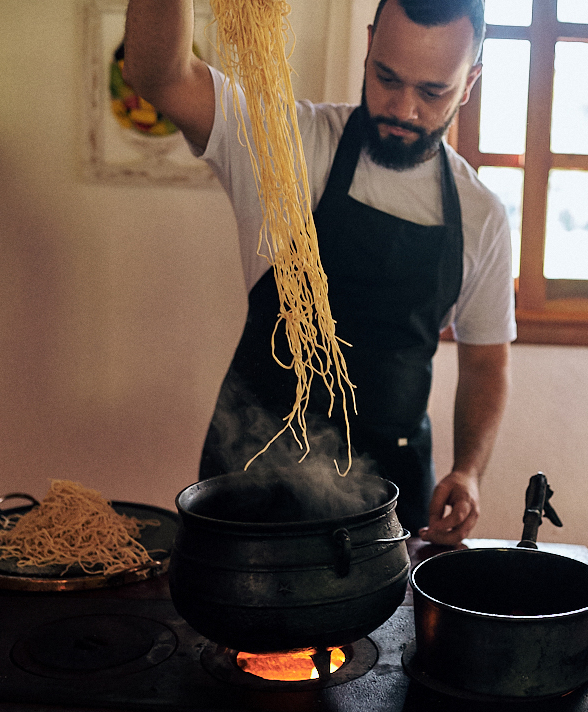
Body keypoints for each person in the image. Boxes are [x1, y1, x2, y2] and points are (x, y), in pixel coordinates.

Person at [122, 0, 514, 545]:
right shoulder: (287, 147)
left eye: (433, 92)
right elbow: (156, 76)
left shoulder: (482, 216)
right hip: (249, 476)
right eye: (387, 77)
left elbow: (485, 365)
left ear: (469, 83)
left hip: (389, 495)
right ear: (370, 45)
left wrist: (469, 469)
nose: (403, 109)